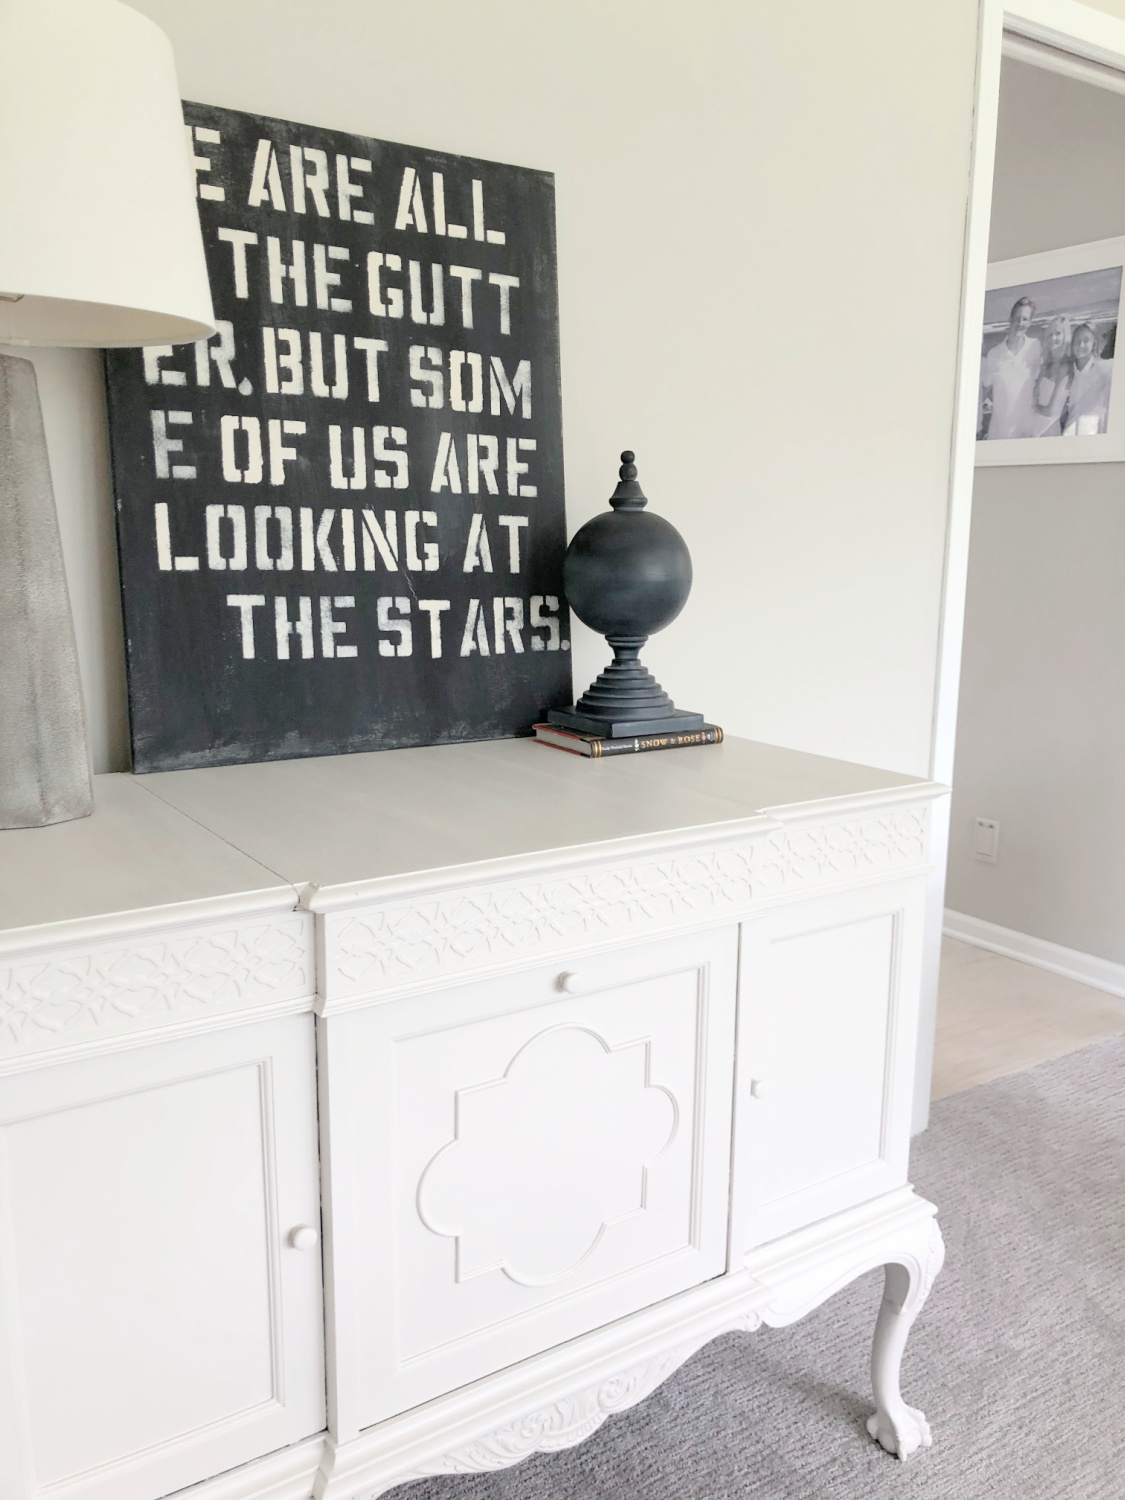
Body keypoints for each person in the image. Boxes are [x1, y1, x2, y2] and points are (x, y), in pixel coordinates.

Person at [980, 295, 1042, 440]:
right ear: (1010, 319)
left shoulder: (1035, 347)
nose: (1020, 323)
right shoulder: (994, 354)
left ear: (1030, 322)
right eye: (1017, 318)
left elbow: (1040, 383)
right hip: (999, 434)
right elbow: (983, 391)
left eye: (1025, 319)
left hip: (1026, 434)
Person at [1062, 322, 1113, 436]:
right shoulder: (1068, 373)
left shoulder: (1106, 369)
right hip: (1069, 436)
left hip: (1094, 436)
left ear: (1094, 343)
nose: (1081, 345)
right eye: (1077, 341)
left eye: (1086, 340)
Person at [1032, 315, 1072, 437]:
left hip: (1049, 429)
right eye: (1050, 334)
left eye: (1058, 333)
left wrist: (1033, 406)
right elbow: (1035, 392)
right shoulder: (1046, 362)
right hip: (1035, 425)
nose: (1053, 338)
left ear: (1065, 336)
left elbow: (1051, 411)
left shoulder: (1065, 366)